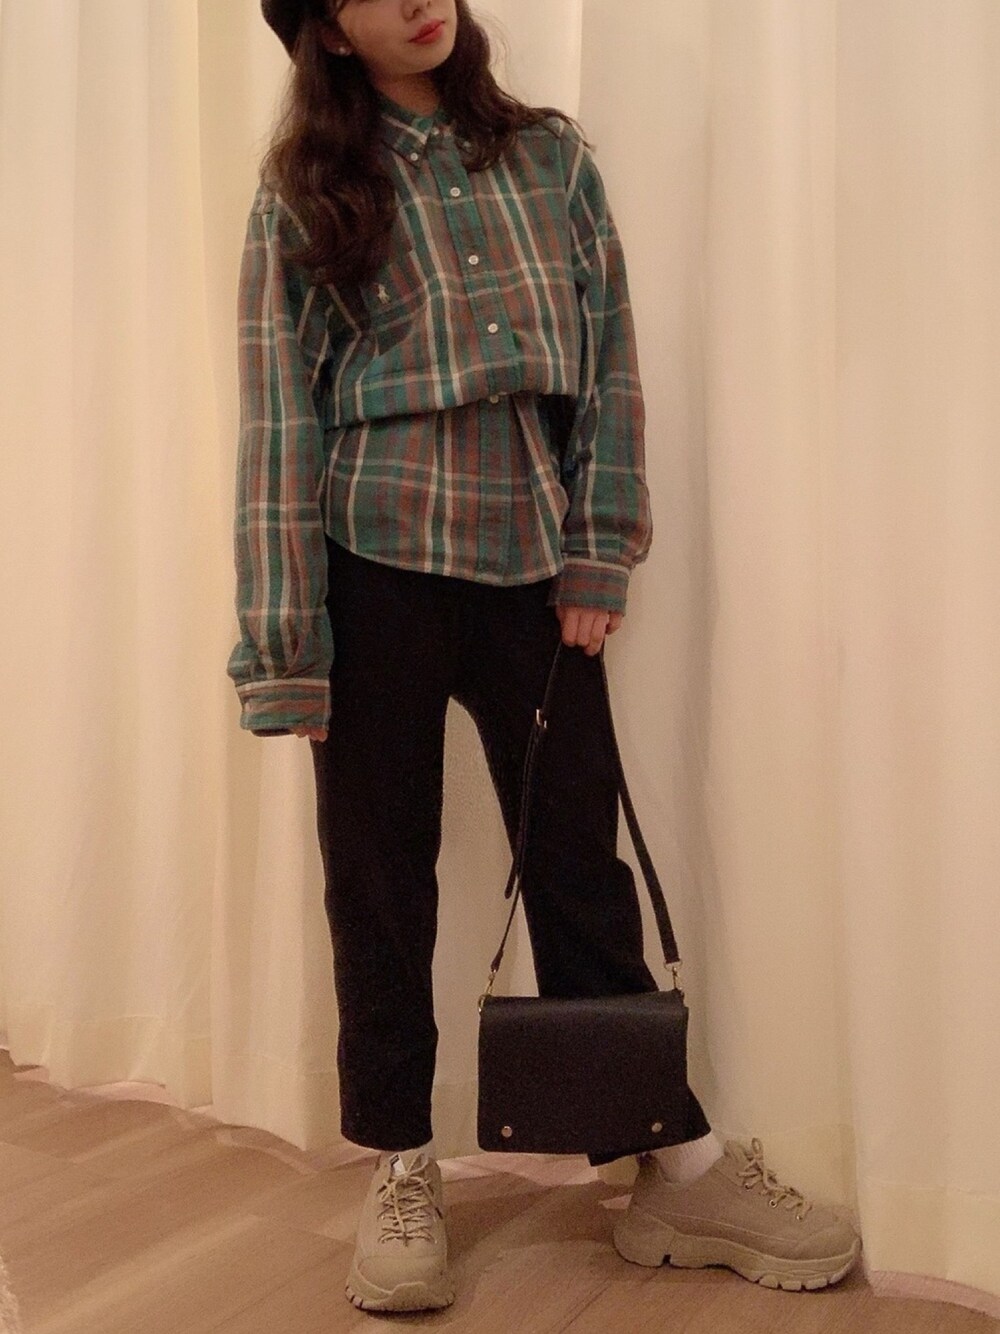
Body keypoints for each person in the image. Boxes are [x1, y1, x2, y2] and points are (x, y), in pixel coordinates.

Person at [227, 0, 861, 1313]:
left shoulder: (549, 158)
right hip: (372, 566)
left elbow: (611, 361)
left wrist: (599, 549)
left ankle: (668, 1161)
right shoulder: (305, 195)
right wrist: (289, 642)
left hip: (531, 565)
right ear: (329, 32)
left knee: (578, 858)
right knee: (379, 881)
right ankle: (401, 1162)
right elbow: (279, 418)